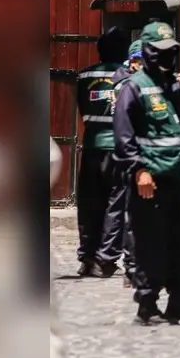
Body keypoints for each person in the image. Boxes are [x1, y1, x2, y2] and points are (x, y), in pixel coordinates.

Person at [112, 21, 180, 325]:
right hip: (149, 181)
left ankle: (179, 301)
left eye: (170, 51)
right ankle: (147, 304)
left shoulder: (177, 84)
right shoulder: (135, 87)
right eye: (159, 52)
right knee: (149, 242)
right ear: (146, 52)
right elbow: (123, 135)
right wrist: (138, 170)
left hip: (175, 179)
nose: (165, 57)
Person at [75, 26, 129, 278]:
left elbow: (81, 107)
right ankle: (106, 259)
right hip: (118, 149)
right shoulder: (128, 76)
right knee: (115, 205)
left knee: (89, 204)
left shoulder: (84, 76)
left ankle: (87, 256)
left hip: (92, 146)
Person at [110, 39, 143, 287]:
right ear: (133, 62)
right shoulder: (129, 86)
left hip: (136, 155)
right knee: (132, 213)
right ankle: (131, 267)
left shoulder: (126, 82)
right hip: (132, 157)